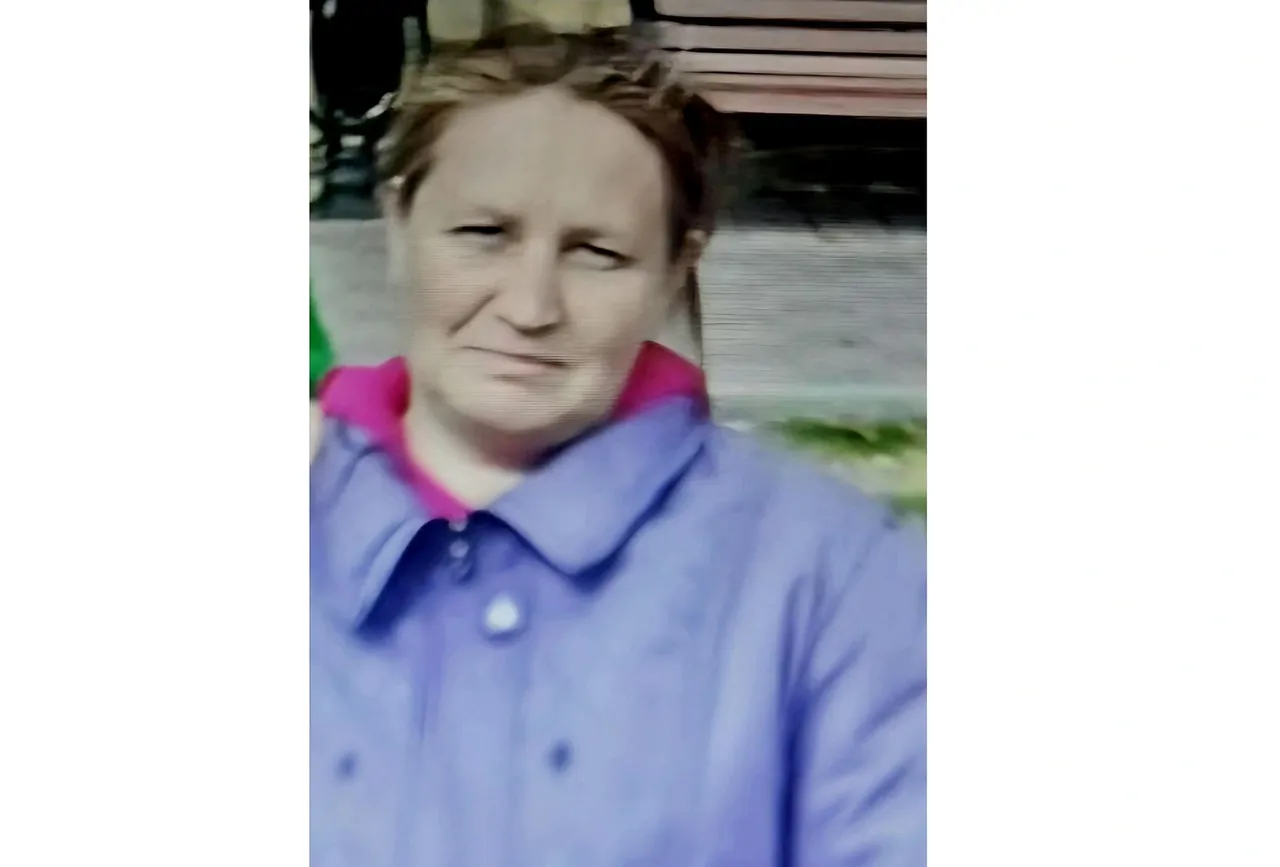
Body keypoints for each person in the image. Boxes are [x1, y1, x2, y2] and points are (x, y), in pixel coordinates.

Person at [310, 25, 925, 867]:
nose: (530, 307)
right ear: (396, 223)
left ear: (676, 271)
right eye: (482, 233)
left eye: (597, 254)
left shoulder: (828, 577)